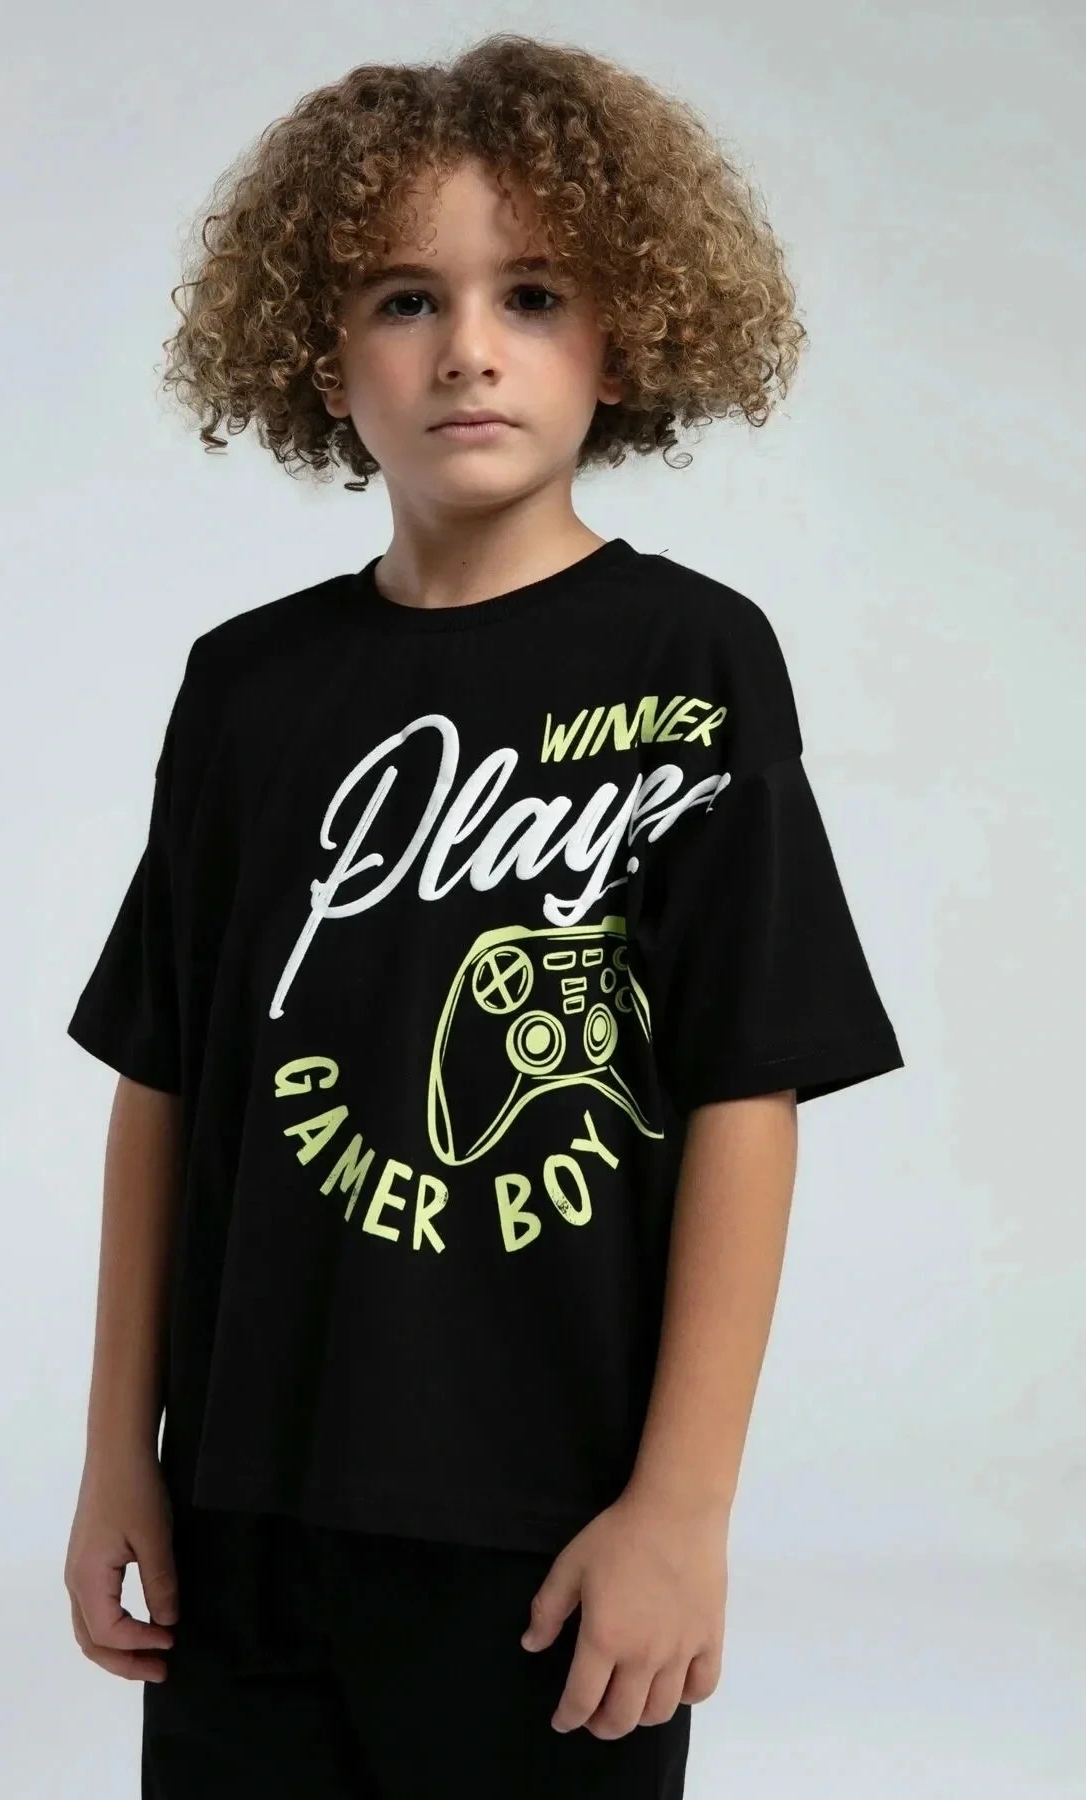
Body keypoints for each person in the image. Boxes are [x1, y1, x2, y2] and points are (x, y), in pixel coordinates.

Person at [62, 32, 904, 1799]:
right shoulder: (247, 688)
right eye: (404, 298)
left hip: (551, 1532)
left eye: (532, 294)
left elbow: (747, 1090)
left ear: (626, 334)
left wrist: (681, 1508)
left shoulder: (692, 660)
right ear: (320, 351)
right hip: (243, 1515)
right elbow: (165, 1079)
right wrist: (116, 1452)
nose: (468, 348)